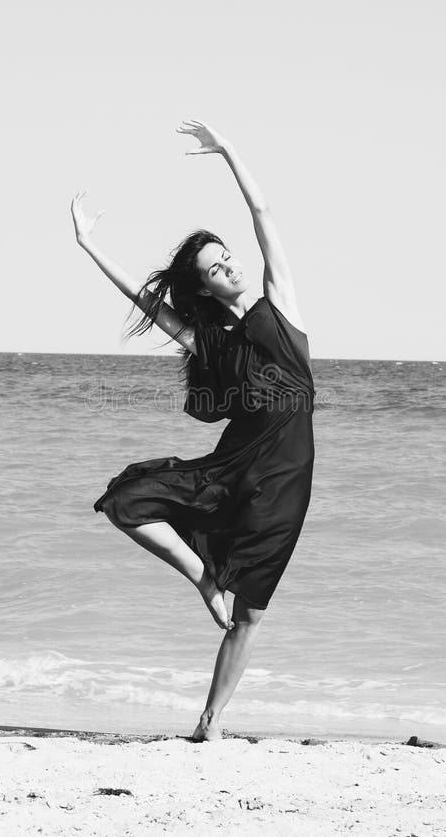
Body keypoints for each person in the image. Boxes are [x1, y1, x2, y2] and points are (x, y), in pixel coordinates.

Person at [71, 118, 315, 741]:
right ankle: (203, 576)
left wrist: (228, 150)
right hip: (235, 467)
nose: (229, 267)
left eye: (227, 257)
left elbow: (262, 213)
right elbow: (148, 304)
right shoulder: (207, 339)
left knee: (252, 614)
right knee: (127, 500)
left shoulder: (279, 301)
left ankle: (209, 722)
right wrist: (89, 246)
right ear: (203, 287)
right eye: (215, 267)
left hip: (287, 482)